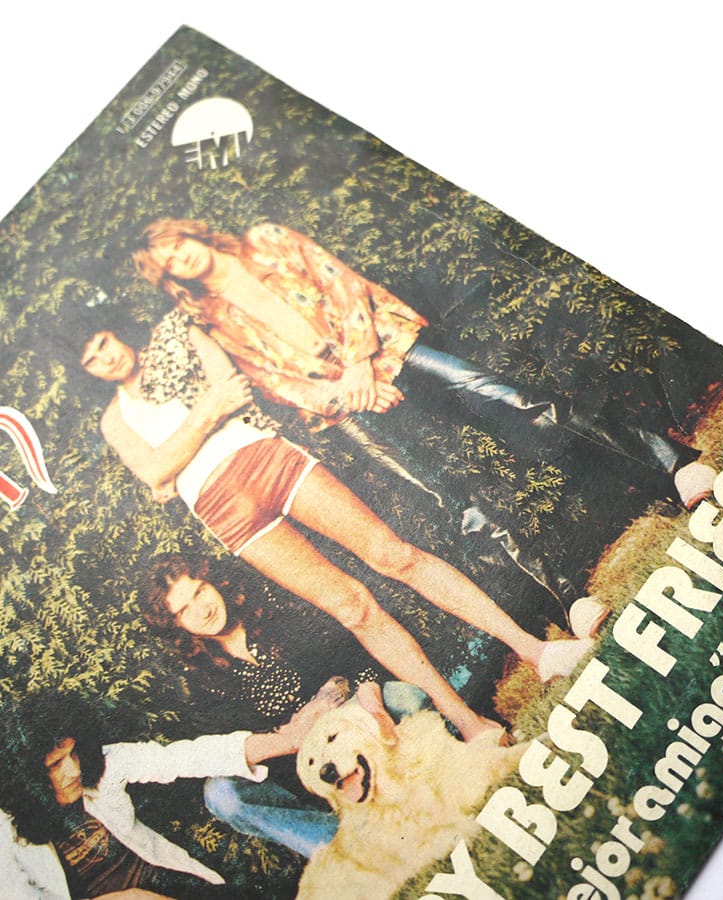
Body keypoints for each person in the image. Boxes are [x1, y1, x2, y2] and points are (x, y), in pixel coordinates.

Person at [79, 305, 600, 745]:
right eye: (91, 360)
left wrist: (177, 453)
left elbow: (228, 392)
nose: (106, 358)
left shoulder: (175, 333)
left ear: (113, 330)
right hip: (223, 512)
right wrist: (199, 422)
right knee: (352, 608)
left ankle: (536, 651)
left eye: (103, 342)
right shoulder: (113, 419)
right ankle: (469, 724)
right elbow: (153, 470)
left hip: (264, 457)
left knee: (395, 556)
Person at [132, 218, 715, 508]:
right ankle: (634, 504)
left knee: (515, 399)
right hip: (356, 398)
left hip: (387, 345)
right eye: (169, 262)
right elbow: (274, 382)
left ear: (191, 233)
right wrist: (346, 392)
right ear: (169, 277)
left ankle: (671, 463)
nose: (181, 258)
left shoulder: (266, 240)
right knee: (469, 473)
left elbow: (341, 284)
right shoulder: (214, 319)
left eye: (177, 244)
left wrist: (360, 363)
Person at [140, 553, 428, 858]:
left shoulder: (271, 608)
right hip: (300, 771)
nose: (203, 609)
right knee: (221, 793)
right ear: (176, 625)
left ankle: (417, 798)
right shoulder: (201, 678)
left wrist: (355, 701)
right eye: (185, 610)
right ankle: (349, 854)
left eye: (200, 591)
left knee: (405, 697)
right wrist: (293, 733)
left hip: (351, 722)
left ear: (213, 582)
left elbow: (354, 656)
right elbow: (238, 748)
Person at [0, 690, 313, 899]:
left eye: (73, 753)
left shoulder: (102, 767)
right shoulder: (6, 831)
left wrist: (289, 740)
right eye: (55, 764)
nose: (74, 770)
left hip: (180, 888)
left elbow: (184, 757)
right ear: (26, 775)